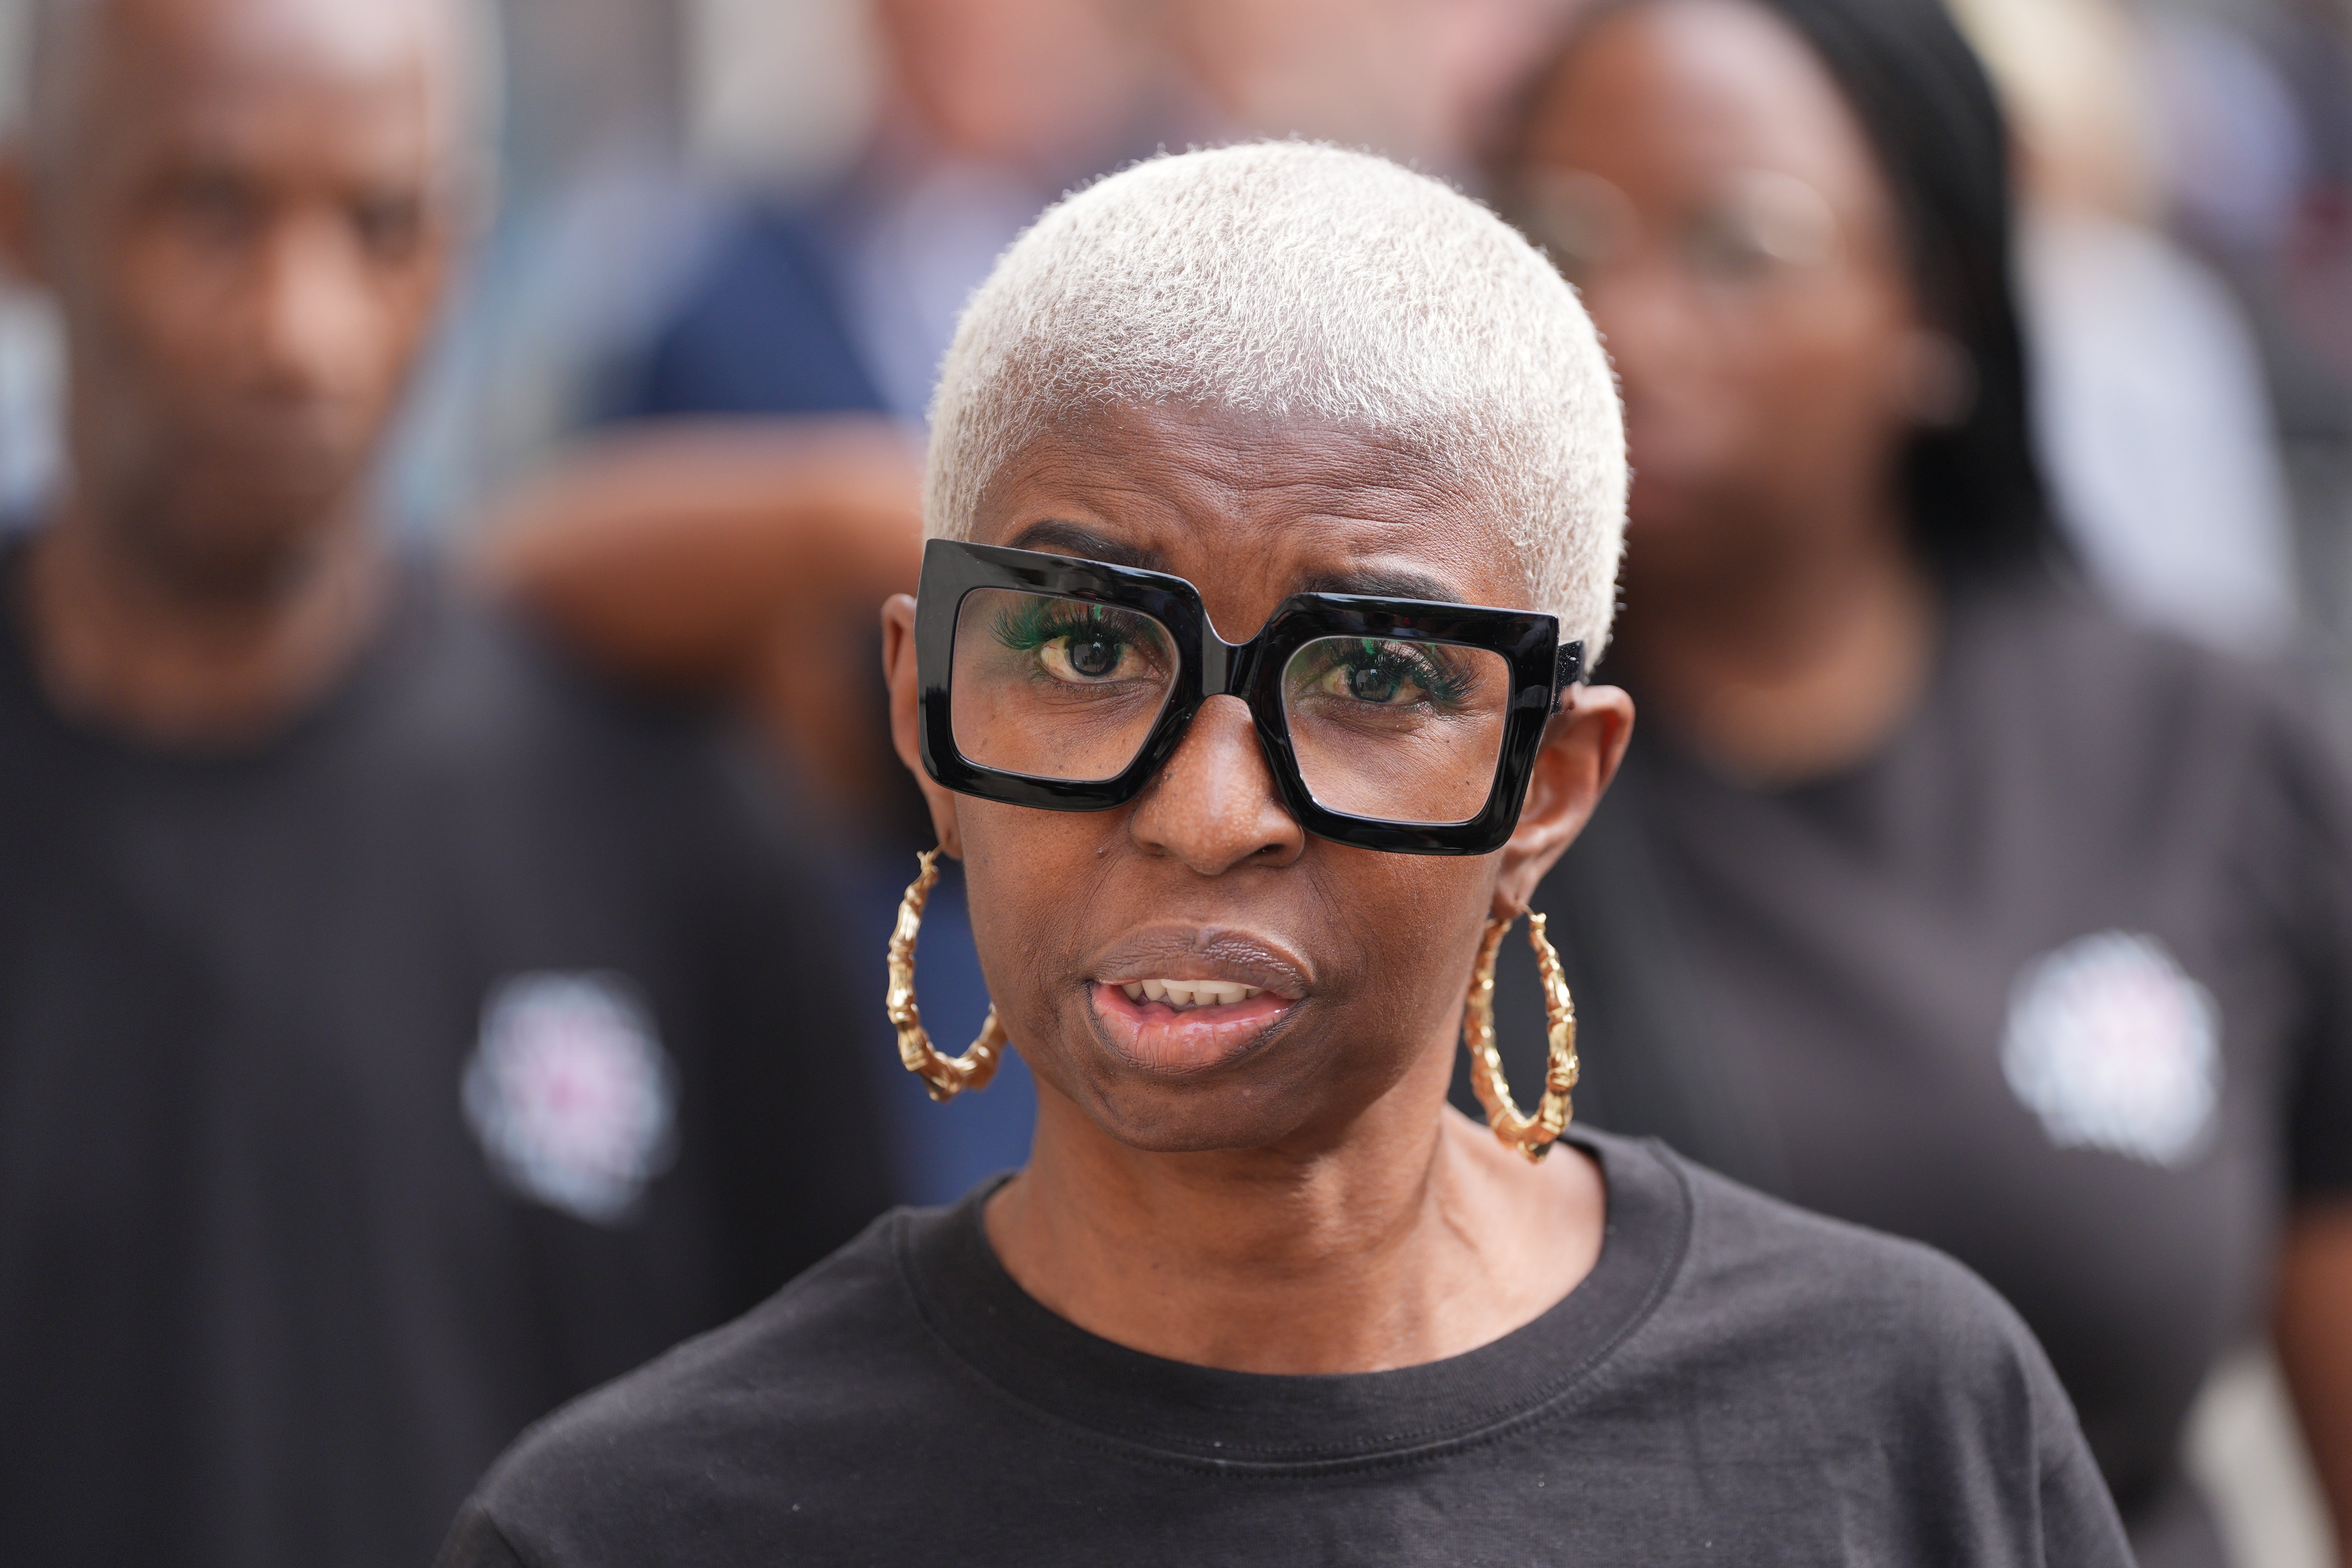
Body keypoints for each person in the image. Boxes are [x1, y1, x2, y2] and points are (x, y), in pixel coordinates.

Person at [435, 142, 2132, 1568]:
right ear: (925, 711)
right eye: (1088, 649)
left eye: (1372, 677)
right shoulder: (641, 1526)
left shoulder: (1901, 1429)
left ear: (1549, 788)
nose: (1208, 811)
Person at [0, 0, 889, 1562]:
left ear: (458, 251)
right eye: (211, 207)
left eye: (380, 223)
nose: (300, 332)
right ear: (30, 219)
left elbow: (843, 1449)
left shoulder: (660, 816)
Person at [1488, 2, 2352, 1563]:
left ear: (1935, 301)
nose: (1628, 324)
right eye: (1562, 240)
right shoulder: (1421, 769)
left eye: (1740, 246)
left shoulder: (2210, 748)